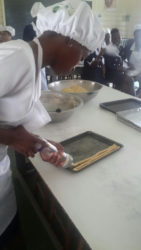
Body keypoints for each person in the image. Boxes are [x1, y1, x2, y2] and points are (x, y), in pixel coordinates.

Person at [0, 0, 104, 248]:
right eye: (83, 54)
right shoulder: (17, 59)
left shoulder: (31, 63)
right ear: (69, 39)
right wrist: (15, 139)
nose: (78, 62)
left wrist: (36, 142)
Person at [23, 2, 48, 90]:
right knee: (35, 82)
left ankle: (43, 97)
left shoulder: (43, 28)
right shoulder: (29, 28)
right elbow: (27, 46)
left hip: (42, 59)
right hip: (33, 59)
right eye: (38, 17)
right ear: (34, 17)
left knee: (42, 80)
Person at [104, 28, 135, 95]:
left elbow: (122, 59)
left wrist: (128, 64)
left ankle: (124, 97)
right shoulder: (108, 49)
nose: (117, 38)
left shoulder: (120, 48)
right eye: (115, 37)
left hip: (119, 72)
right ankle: (133, 99)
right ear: (111, 38)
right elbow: (107, 65)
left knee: (127, 81)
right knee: (129, 80)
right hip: (110, 73)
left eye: (118, 37)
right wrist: (120, 68)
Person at [123, 24, 141, 96]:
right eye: (137, 36)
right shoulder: (129, 46)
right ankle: (131, 96)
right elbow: (121, 59)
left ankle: (138, 97)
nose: (138, 38)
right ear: (134, 36)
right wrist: (127, 64)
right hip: (131, 70)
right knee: (126, 79)